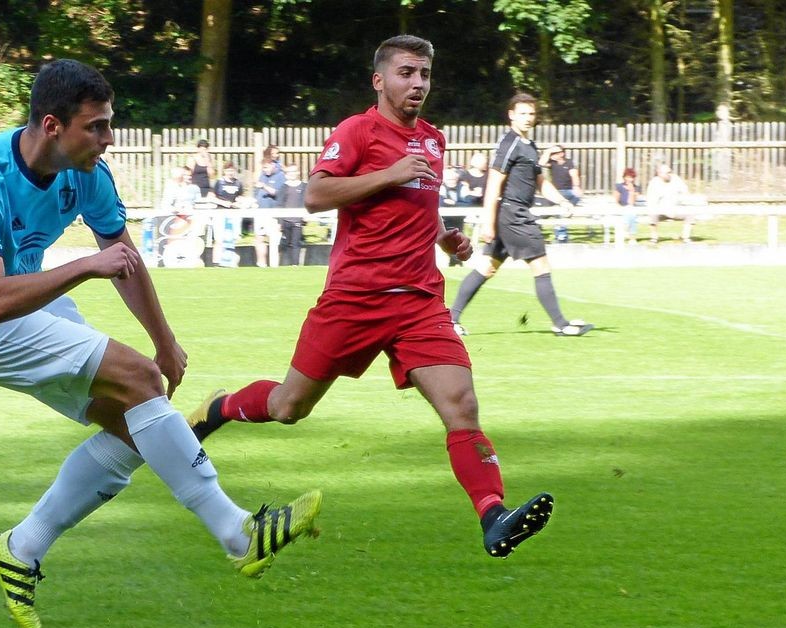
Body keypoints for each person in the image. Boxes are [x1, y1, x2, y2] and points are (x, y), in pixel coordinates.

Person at [0, 59, 322, 628]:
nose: (108, 139)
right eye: (96, 126)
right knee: (139, 381)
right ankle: (239, 533)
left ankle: (21, 549)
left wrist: (165, 340)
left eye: (109, 123)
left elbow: (124, 260)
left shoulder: (87, 174)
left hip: (16, 302)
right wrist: (84, 266)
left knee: (136, 424)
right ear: (52, 126)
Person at [188, 36, 553, 561]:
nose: (418, 83)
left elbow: (416, 205)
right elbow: (315, 195)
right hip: (355, 298)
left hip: (420, 301)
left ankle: (493, 515)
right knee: (289, 407)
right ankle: (218, 409)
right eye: (407, 73)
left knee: (462, 405)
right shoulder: (357, 131)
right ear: (379, 80)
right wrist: (389, 173)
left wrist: (444, 237)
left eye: (425, 74)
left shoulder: (433, 139)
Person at [448, 93, 593, 338]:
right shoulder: (510, 143)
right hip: (513, 215)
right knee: (541, 265)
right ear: (511, 115)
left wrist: (562, 200)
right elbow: (494, 183)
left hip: (513, 215)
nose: (527, 118)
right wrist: (488, 223)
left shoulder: (530, 146)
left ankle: (450, 320)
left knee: (487, 268)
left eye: (531, 113)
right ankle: (560, 324)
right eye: (522, 113)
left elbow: (540, 182)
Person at [646, 163, 695, 244]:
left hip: (675, 208)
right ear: (659, 173)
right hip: (660, 209)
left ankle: (685, 237)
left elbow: (685, 192)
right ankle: (654, 238)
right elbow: (651, 201)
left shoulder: (676, 179)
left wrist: (682, 201)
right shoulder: (654, 182)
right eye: (667, 173)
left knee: (690, 213)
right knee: (652, 213)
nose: (669, 174)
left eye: (670, 172)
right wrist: (662, 209)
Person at [542, 145, 582, 243]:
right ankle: (562, 236)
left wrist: (576, 186)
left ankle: (561, 235)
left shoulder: (569, 162)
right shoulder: (552, 163)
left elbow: (574, 175)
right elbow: (541, 163)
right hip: (556, 193)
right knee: (560, 211)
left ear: (561, 154)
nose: (552, 155)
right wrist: (548, 151)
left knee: (563, 209)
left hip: (568, 191)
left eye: (554, 153)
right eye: (552, 154)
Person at [208, 161, 245, 267]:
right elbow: (211, 197)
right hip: (220, 213)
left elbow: (240, 197)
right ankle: (216, 262)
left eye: (232, 170)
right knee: (219, 239)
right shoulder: (219, 183)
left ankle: (229, 261)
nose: (230, 173)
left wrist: (239, 202)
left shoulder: (238, 183)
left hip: (233, 214)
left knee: (231, 238)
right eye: (228, 170)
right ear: (224, 171)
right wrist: (223, 203)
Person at [253, 158, 285, 266]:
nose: (264, 170)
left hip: (272, 214)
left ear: (272, 165)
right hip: (260, 212)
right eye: (263, 168)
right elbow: (256, 192)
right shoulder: (262, 175)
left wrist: (264, 186)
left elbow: (279, 194)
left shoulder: (280, 176)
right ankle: (261, 264)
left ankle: (274, 266)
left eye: (266, 167)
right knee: (259, 238)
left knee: (274, 241)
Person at [275, 164, 307, 265]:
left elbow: (305, 202)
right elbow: (280, 204)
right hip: (286, 220)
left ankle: (295, 265)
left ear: (298, 172)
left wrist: (305, 216)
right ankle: (286, 265)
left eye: (294, 171)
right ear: (286, 174)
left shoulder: (304, 186)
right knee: (286, 243)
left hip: (298, 220)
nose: (292, 174)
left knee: (296, 243)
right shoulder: (284, 187)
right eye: (289, 172)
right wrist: (279, 222)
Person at [613, 167, 642, 244]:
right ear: (624, 177)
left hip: (631, 209)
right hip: (621, 208)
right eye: (628, 177)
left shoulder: (636, 188)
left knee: (631, 212)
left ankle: (627, 232)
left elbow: (631, 203)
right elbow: (616, 201)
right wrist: (620, 208)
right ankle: (632, 238)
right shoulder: (619, 187)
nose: (630, 179)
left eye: (632, 177)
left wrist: (631, 191)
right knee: (630, 213)